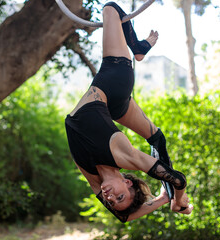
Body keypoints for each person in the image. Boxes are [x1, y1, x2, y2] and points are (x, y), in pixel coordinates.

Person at [65, 1, 193, 222]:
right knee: (110, 9)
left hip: (111, 104)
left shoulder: (93, 179)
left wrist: (164, 199)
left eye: (112, 201)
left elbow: (123, 217)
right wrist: (178, 200)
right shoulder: (124, 156)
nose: (111, 197)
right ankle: (139, 48)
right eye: (120, 195)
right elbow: (179, 179)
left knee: (157, 139)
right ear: (127, 181)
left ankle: (140, 49)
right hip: (115, 79)